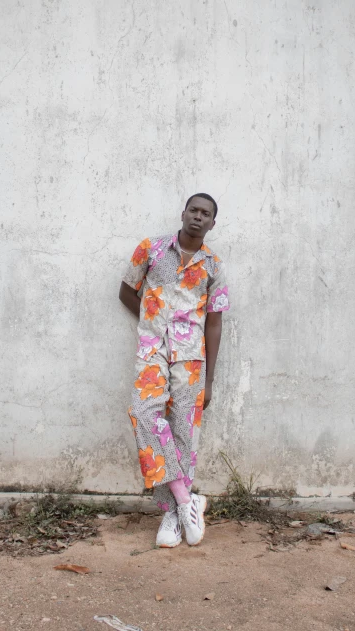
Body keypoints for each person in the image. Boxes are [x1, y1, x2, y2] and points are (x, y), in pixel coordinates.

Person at [119, 193, 230, 548]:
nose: (198, 217)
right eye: (194, 210)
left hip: (191, 358)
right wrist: (154, 323)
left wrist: (209, 380)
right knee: (143, 412)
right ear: (183, 213)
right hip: (152, 350)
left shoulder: (213, 266)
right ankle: (187, 500)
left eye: (206, 214)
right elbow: (125, 291)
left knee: (184, 431)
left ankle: (171, 515)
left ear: (213, 223)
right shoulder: (150, 249)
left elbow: (215, 323)